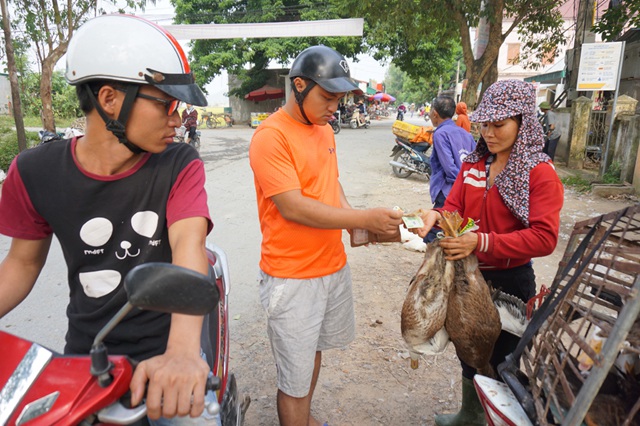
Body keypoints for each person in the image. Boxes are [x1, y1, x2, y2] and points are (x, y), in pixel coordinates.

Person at [0, 14, 216, 425]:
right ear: (111, 98)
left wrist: (184, 353)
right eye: (167, 102)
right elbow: (21, 264)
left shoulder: (178, 164)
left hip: (170, 348)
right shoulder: (32, 172)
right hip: (88, 354)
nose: (177, 118)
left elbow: (190, 247)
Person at [249, 45, 403, 426]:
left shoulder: (322, 129)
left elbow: (330, 186)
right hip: (293, 277)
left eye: (339, 98)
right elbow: (294, 207)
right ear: (299, 85)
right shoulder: (271, 137)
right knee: (294, 377)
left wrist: (359, 226)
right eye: (329, 97)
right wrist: (362, 215)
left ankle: (305, 418)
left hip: (330, 267)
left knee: (311, 353)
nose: (336, 106)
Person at [413, 80, 563, 426]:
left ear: (523, 123)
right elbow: (452, 205)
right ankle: (470, 414)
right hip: (468, 274)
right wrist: (435, 215)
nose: (489, 133)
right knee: (467, 345)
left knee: (505, 358)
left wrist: (481, 242)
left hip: (509, 280)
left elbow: (544, 238)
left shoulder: (539, 174)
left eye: (499, 125)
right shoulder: (474, 165)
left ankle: (501, 417)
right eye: (485, 124)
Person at [424, 96, 476, 243]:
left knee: (434, 234)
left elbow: (449, 167)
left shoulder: (440, 133)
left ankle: (435, 265)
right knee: (453, 230)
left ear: (435, 113)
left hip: (447, 190)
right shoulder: (466, 134)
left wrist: (459, 185)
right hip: (464, 189)